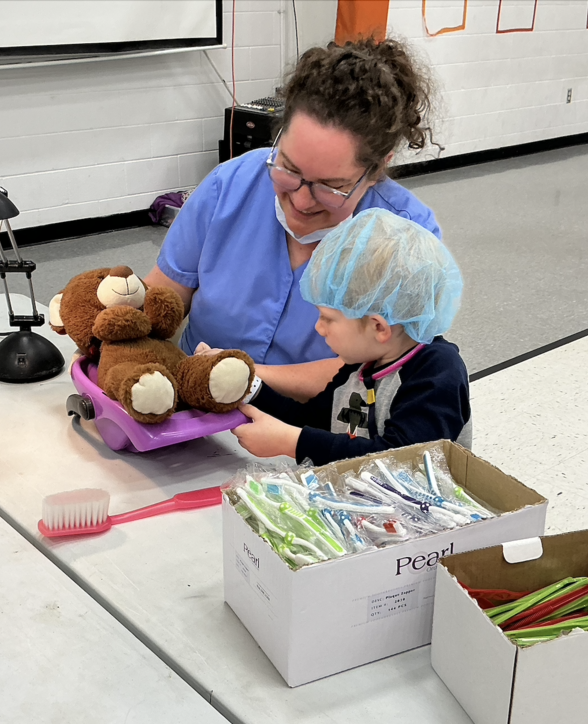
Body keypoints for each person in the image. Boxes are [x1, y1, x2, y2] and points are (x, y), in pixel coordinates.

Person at [145, 38, 439, 399]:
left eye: (331, 187)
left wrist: (241, 378)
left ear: (378, 168)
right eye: (288, 168)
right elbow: (163, 297)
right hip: (191, 402)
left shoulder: (407, 238)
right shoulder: (230, 185)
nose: (300, 200)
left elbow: (381, 372)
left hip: (313, 428)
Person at [231, 208, 471, 466]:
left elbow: (403, 460)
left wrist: (294, 443)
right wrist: (249, 386)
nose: (319, 328)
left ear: (378, 327)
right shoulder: (360, 365)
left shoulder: (437, 371)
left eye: (328, 318)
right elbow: (311, 420)